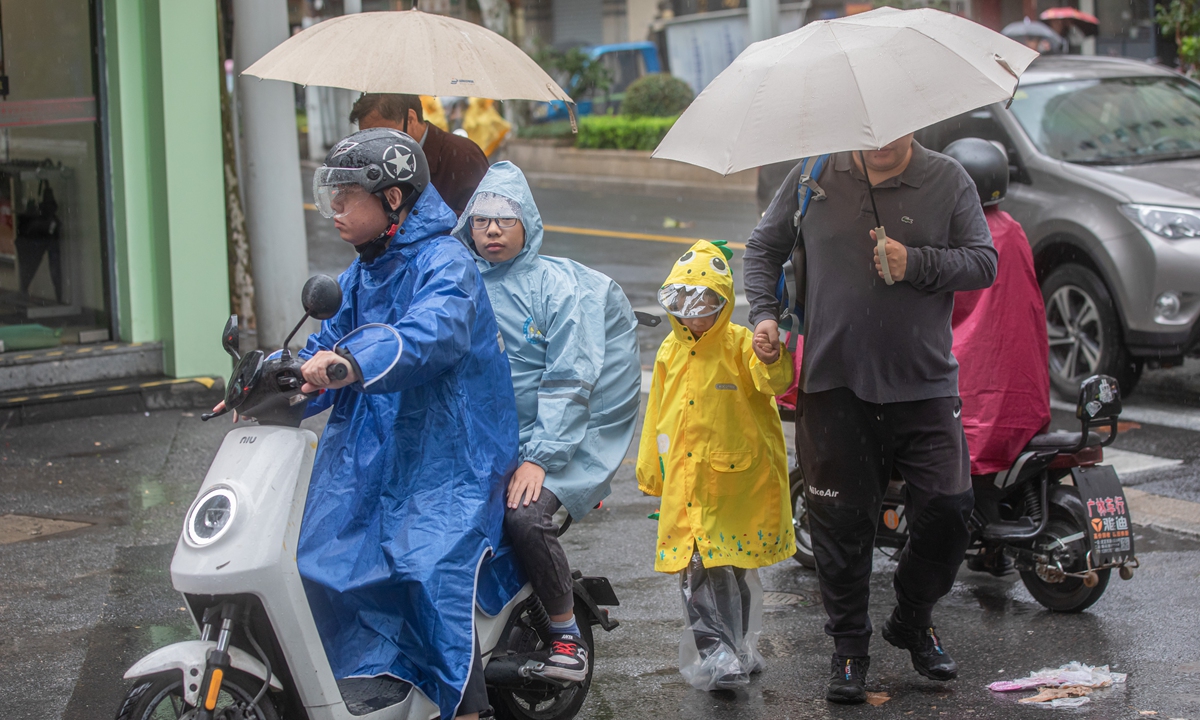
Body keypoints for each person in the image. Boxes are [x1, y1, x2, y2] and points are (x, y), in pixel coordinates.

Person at [742, 134, 997, 703]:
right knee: (839, 525)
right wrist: (764, 316)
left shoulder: (948, 179)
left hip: (924, 383)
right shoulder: (813, 174)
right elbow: (763, 249)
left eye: (893, 128)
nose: (880, 140)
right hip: (833, 382)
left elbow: (984, 262)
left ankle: (911, 616)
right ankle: (850, 650)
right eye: (865, 130)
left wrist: (916, 262)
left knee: (951, 510)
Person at [296, 127, 520, 720]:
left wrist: (351, 363)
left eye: (348, 196)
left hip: (450, 453)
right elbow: (318, 346)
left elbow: (434, 334)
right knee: (318, 550)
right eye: (332, 196)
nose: (336, 210)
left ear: (394, 199)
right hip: (377, 451)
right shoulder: (359, 274)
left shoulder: (446, 260)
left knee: (427, 565)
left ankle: (468, 710)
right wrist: (275, 378)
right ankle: (367, 673)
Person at [451, 161, 640, 682]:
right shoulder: (455, 282)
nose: (491, 230)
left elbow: (569, 380)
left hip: (557, 444)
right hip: (482, 441)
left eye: (505, 220)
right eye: (482, 220)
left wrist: (539, 458)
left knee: (524, 518)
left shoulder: (556, 289)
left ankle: (565, 633)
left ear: (528, 225)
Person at [636, 239, 796, 692]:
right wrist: (653, 470)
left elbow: (775, 383)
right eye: (682, 303)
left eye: (705, 303)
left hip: (736, 484)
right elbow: (658, 414)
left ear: (723, 302)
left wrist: (771, 354)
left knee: (734, 563)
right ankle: (717, 653)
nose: (693, 314)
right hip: (689, 483)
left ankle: (739, 646)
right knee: (700, 567)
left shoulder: (742, 344)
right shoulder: (671, 350)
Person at [942, 138, 1052, 572]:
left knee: (951, 444)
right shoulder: (1012, 228)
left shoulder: (960, 236)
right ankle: (993, 548)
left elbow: (954, 309)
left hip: (977, 372)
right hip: (1021, 375)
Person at [351, 93, 490, 216]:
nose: (376, 145)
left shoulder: (462, 155)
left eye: (383, 135)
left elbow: (477, 223)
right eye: (368, 137)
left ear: (410, 119)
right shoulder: (378, 159)